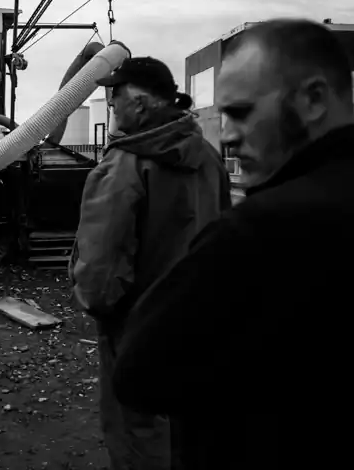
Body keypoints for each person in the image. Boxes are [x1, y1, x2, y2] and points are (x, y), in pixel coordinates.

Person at [112, 19, 354, 469]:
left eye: (242, 112)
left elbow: (138, 374)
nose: (228, 135)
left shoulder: (264, 230)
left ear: (314, 99)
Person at [68, 56, 233, 470]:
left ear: (139, 104)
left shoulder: (123, 167)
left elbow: (100, 272)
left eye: (116, 97)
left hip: (138, 330)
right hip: (199, 325)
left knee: (138, 433)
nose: (111, 105)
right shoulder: (208, 158)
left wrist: (100, 309)